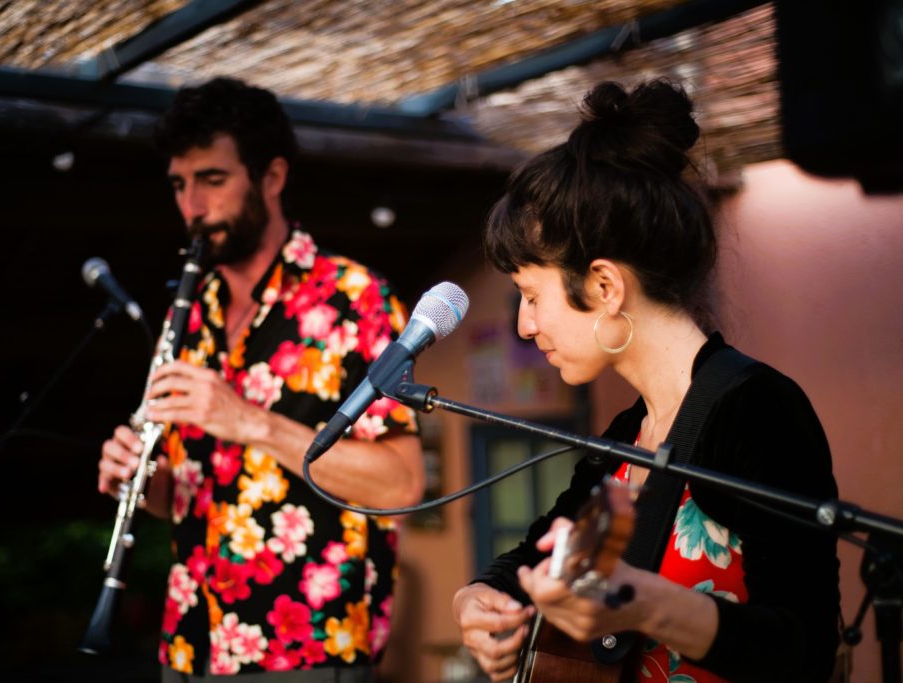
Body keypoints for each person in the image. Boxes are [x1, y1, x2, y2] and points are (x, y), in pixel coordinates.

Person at [452, 80, 840, 683]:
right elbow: (534, 553)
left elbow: (805, 649)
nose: (525, 326)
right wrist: (477, 600)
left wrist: (647, 604)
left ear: (605, 288)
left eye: (531, 296)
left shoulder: (757, 411)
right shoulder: (630, 432)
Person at [97, 77, 424, 681]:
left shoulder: (358, 299)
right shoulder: (187, 313)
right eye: (179, 184)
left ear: (271, 177)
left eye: (212, 180)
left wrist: (248, 420)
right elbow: (180, 498)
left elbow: (402, 485)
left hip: (309, 651)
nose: (192, 206)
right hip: (190, 647)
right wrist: (139, 481)